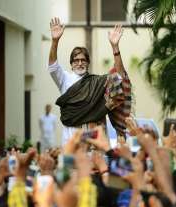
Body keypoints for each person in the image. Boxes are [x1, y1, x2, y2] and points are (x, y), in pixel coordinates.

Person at [47, 17, 132, 145]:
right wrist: (55, 41)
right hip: (72, 142)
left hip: (95, 144)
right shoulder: (64, 79)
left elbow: (119, 76)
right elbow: (53, 67)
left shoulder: (98, 82)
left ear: (88, 63)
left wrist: (115, 47)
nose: (80, 63)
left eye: (83, 60)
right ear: (71, 64)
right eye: (76, 60)